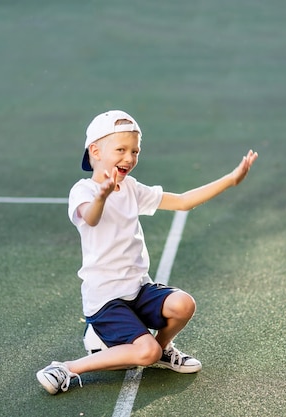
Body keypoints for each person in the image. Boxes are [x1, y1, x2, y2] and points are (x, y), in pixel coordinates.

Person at [36, 110, 258, 395]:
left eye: (135, 151)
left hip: (138, 289)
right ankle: (67, 368)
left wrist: (231, 179)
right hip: (106, 300)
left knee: (183, 305)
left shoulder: (131, 188)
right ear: (95, 150)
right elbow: (90, 218)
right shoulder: (83, 191)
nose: (129, 158)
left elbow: (183, 202)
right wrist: (102, 196)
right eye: (121, 149)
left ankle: (163, 350)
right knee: (145, 352)